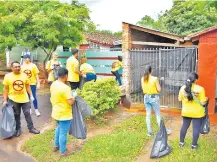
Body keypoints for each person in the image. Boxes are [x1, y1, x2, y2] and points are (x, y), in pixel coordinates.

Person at [2, 61, 40, 137]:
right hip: (13, 99)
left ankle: (31, 128)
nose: (18, 68)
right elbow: (5, 89)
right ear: (12, 68)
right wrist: (5, 100)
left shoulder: (24, 75)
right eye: (15, 67)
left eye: (19, 66)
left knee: (27, 113)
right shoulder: (8, 76)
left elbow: (27, 86)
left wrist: (31, 95)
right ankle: (18, 129)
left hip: (25, 98)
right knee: (16, 114)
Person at [178, 72, 207, 149]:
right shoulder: (200, 89)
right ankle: (194, 145)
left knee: (184, 126)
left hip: (186, 111)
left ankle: (181, 143)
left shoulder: (182, 88)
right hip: (197, 113)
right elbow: (203, 102)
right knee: (196, 128)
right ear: (196, 80)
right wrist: (206, 100)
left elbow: (179, 99)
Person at [50, 67, 75, 156]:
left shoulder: (54, 84)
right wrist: (74, 96)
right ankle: (63, 151)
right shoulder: (65, 88)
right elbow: (70, 102)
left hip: (56, 112)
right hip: (64, 114)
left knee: (59, 128)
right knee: (63, 133)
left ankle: (56, 146)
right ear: (66, 76)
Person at [141, 66, 161, 136]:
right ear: (151, 71)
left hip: (146, 97)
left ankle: (149, 132)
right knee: (158, 115)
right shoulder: (154, 79)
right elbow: (159, 89)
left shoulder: (142, 79)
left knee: (148, 115)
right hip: (153, 97)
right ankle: (162, 131)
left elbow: (143, 90)